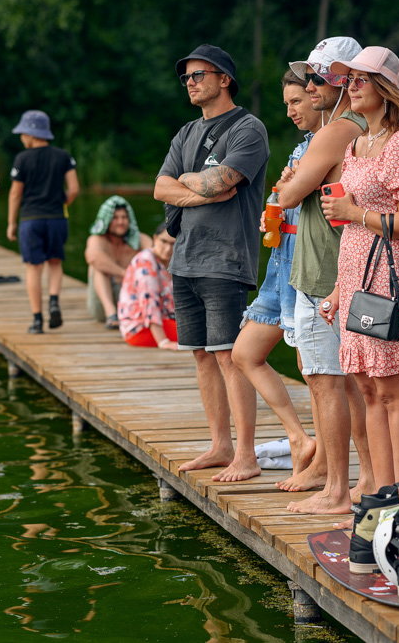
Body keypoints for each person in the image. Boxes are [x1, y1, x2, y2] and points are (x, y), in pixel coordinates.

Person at [319, 46, 399, 509]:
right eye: (349, 80)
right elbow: (349, 227)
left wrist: (353, 212)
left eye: (363, 79)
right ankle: (382, 499)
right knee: (368, 387)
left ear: (386, 88)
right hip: (356, 277)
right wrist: (337, 290)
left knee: (394, 389)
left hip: (393, 279)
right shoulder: (355, 144)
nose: (352, 86)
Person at [270, 37, 378, 515]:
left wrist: (291, 183)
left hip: (324, 273)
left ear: (342, 80)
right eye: (309, 77)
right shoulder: (351, 127)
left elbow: (288, 194)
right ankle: (367, 479)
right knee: (345, 380)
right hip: (323, 267)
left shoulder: (336, 130)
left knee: (326, 379)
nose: (311, 86)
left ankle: (336, 488)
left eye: (318, 77)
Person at [154, 44, 270, 482]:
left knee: (228, 356)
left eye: (198, 74)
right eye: (185, 77)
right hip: (184, 259)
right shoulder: (185, 132)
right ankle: (220, 446)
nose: (190, 82)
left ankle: (246, 455)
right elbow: (161, 189)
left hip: (225, 258)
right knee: (202, 355)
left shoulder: (248, 128)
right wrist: (195, 187)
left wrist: (196, 183)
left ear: (224, 79)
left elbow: (224, 180)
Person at [230, 71, 317, 486]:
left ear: (319, 96)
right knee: (244, 353)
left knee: (313, 369)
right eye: (287, 103)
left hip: (305, 266)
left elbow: (295, 196)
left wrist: (284, 191)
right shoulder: (303, 146)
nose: (290, 110)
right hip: (279, 264)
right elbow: (282, 197)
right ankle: (299, 440)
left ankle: (324, 465)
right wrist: (280, 191)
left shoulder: (332, 142)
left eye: (296, 101)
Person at [7, 110, 79, 334]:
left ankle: (37, 320)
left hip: (31, 219)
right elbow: (74, 189)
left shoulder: (22, 158)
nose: (21, 138)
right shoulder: (63, 156)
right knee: (55, 262)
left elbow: (15, 194)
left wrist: (11, 222)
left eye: (22, 133)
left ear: (30, 134)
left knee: (33, 268)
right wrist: (61, 204)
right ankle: (54, 301)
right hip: (57, 218)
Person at [86, 196, 151, 329]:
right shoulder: (97, 239)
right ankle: (111, 315)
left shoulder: (139, 240)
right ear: (107, 220)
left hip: (132, 301)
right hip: (102, 307)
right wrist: (125, 273)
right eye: (115, 218)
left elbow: (156, 255)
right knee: (98, 267)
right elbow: (93, 257)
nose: (120, 222)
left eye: (124, 217)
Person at [118, 221, 178, 348]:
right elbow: (149, 302)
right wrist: (163, 342)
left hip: (166, 320)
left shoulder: (172, 261)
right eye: (164, 241)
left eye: (173, 244)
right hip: (140, 328)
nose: (168, 249)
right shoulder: (145, 261)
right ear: (155, 239)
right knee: (198, 336)